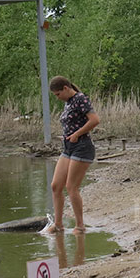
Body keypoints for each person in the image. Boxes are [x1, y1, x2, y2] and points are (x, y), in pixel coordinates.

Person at [45, 76, 100, 234]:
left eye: (57, 94)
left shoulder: (80, 98)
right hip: (68, 148)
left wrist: (77, 134)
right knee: (56, 186)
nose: (57, 98)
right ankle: (58, 225)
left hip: (82, 146)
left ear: (65, 88)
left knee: (71, 187)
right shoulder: (69, 102)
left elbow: (95, 120)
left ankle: (80, 226)